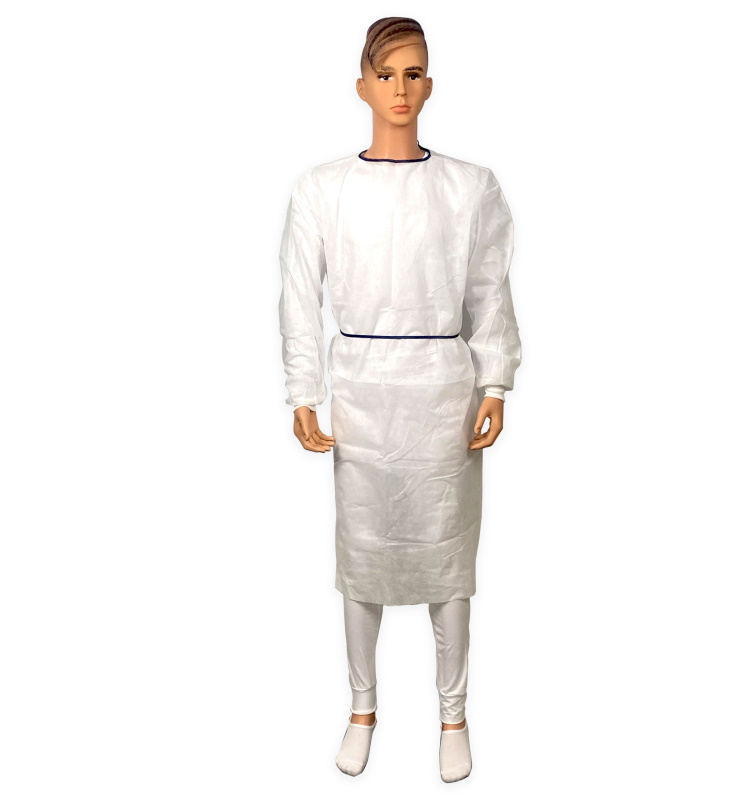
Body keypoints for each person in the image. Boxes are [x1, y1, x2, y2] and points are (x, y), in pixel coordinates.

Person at [278, 17, 521, 782]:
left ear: (431, 84)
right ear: (361, 86)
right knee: (365, 557)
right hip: (361, 393)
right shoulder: (323, 188)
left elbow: (489, 290)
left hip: (442, 392)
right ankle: (362, 708)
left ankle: (453, 714)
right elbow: (298, 296)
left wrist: (494, 379)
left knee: (448, 558)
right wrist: (303, 389)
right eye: (386, 74)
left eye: (414, 73)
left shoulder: (470, 187)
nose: (400, 88)